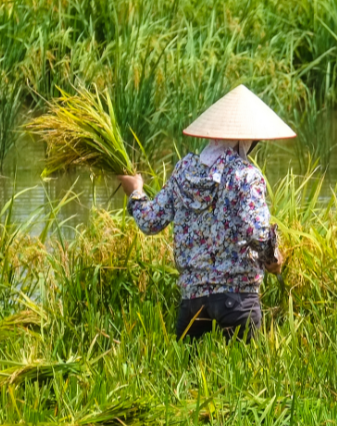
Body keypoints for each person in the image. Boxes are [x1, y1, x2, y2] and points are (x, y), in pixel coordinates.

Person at [116, 86, 290, 341]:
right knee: (246, 378)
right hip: (237, 299)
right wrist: (274, 257)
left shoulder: (184, 170)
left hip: (192, 304)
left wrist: (135, 192)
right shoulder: (245, 176)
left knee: (188, 379)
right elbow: (257, 232)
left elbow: (150, 221)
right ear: (246, 141)